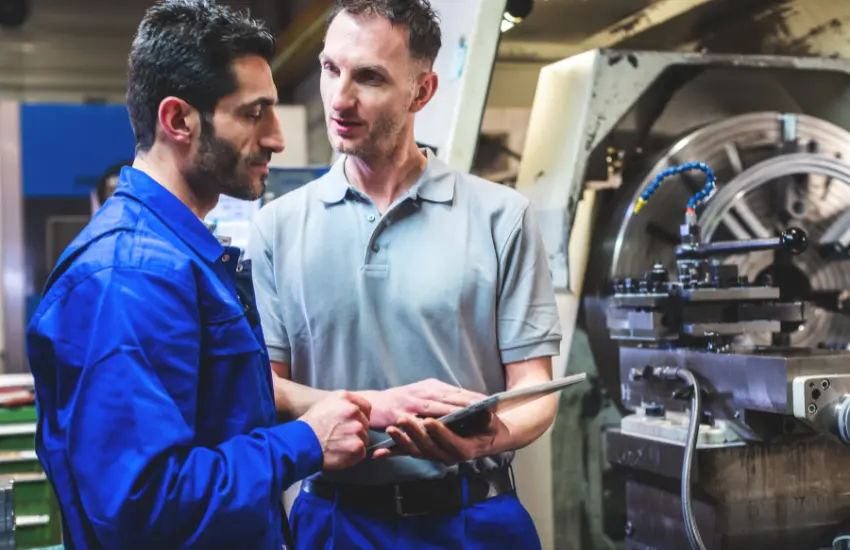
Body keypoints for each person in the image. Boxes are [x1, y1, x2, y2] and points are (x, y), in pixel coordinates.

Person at [25, 1, 372, 549]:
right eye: (254, 113)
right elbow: (145, 503)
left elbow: (212, 402)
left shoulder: (181, 256)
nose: (277, 138)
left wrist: (321, 403)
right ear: (178, 120)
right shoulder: (130, 277)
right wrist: (306, 440)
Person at [245, 1, 563, 548]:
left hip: (474, 517)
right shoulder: (276, 226)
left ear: (422, 91)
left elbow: (534, 387)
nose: (340, 98)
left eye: (368, 77)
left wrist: (485, 439)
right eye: (330, 69)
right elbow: (268, 387)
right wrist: (366, 407)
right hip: (336, 519)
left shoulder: (500, 216)